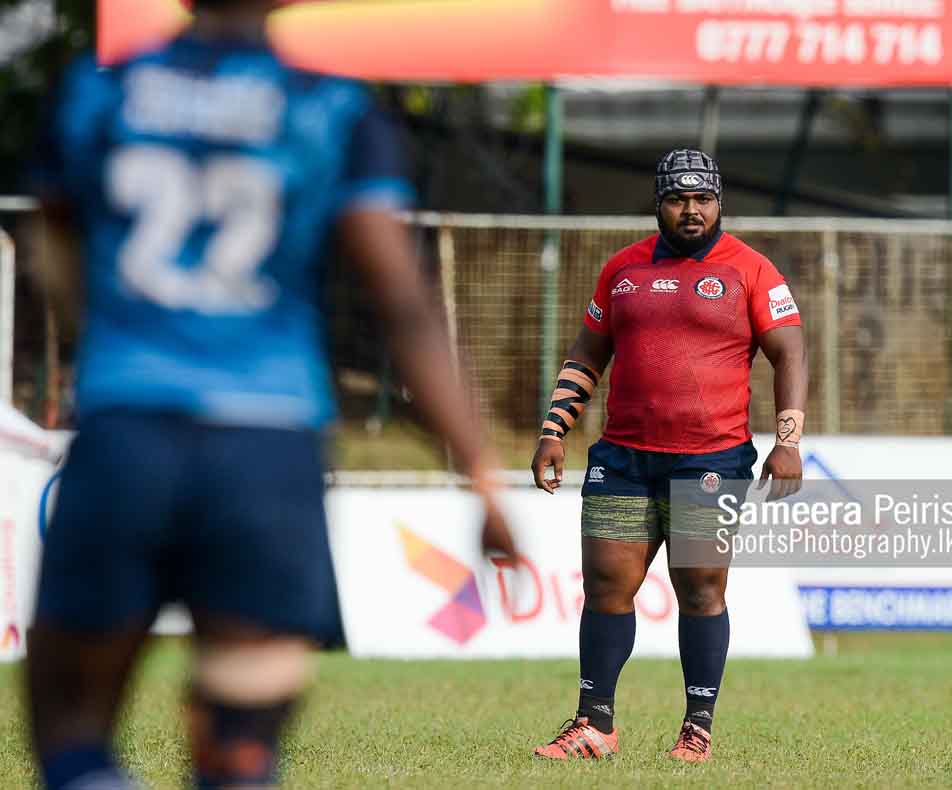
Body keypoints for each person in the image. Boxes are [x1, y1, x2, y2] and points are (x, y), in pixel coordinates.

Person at [24, 2, 517, 788]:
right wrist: (482, 473)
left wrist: (108, 331)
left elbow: (54, 236)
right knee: (241, 753)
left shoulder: (97, 90)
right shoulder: (330, 107)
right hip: (267, 449)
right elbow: (403, 304)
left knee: (71, 729)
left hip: (128, 429)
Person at [530, 148, 807, 763]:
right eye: (678, 199)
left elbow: (790, 353)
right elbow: (587, 355)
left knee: (701, 588)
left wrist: (788, 441)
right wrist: (554, 429)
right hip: (623, 461)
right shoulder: (622, 270)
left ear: (718, 202)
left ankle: (697, 727)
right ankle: (594, 724)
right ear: (658, 203)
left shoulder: (752, 270)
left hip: (710, 462)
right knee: (607, 584)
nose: (691, 210)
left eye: (702, 198)